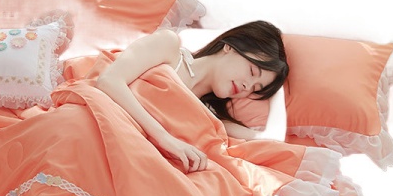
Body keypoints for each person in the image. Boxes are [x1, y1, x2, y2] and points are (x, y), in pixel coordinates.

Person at [95, 21, 290, 173]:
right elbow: (109, 81)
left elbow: (272, 139)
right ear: (230, 47)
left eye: (255, 88)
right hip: (97, 125)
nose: (247, 86)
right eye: (252, 71)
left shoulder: (209, 117)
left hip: (127, 159)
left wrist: (278, 89)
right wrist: (164, 138)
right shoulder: (169, 47)